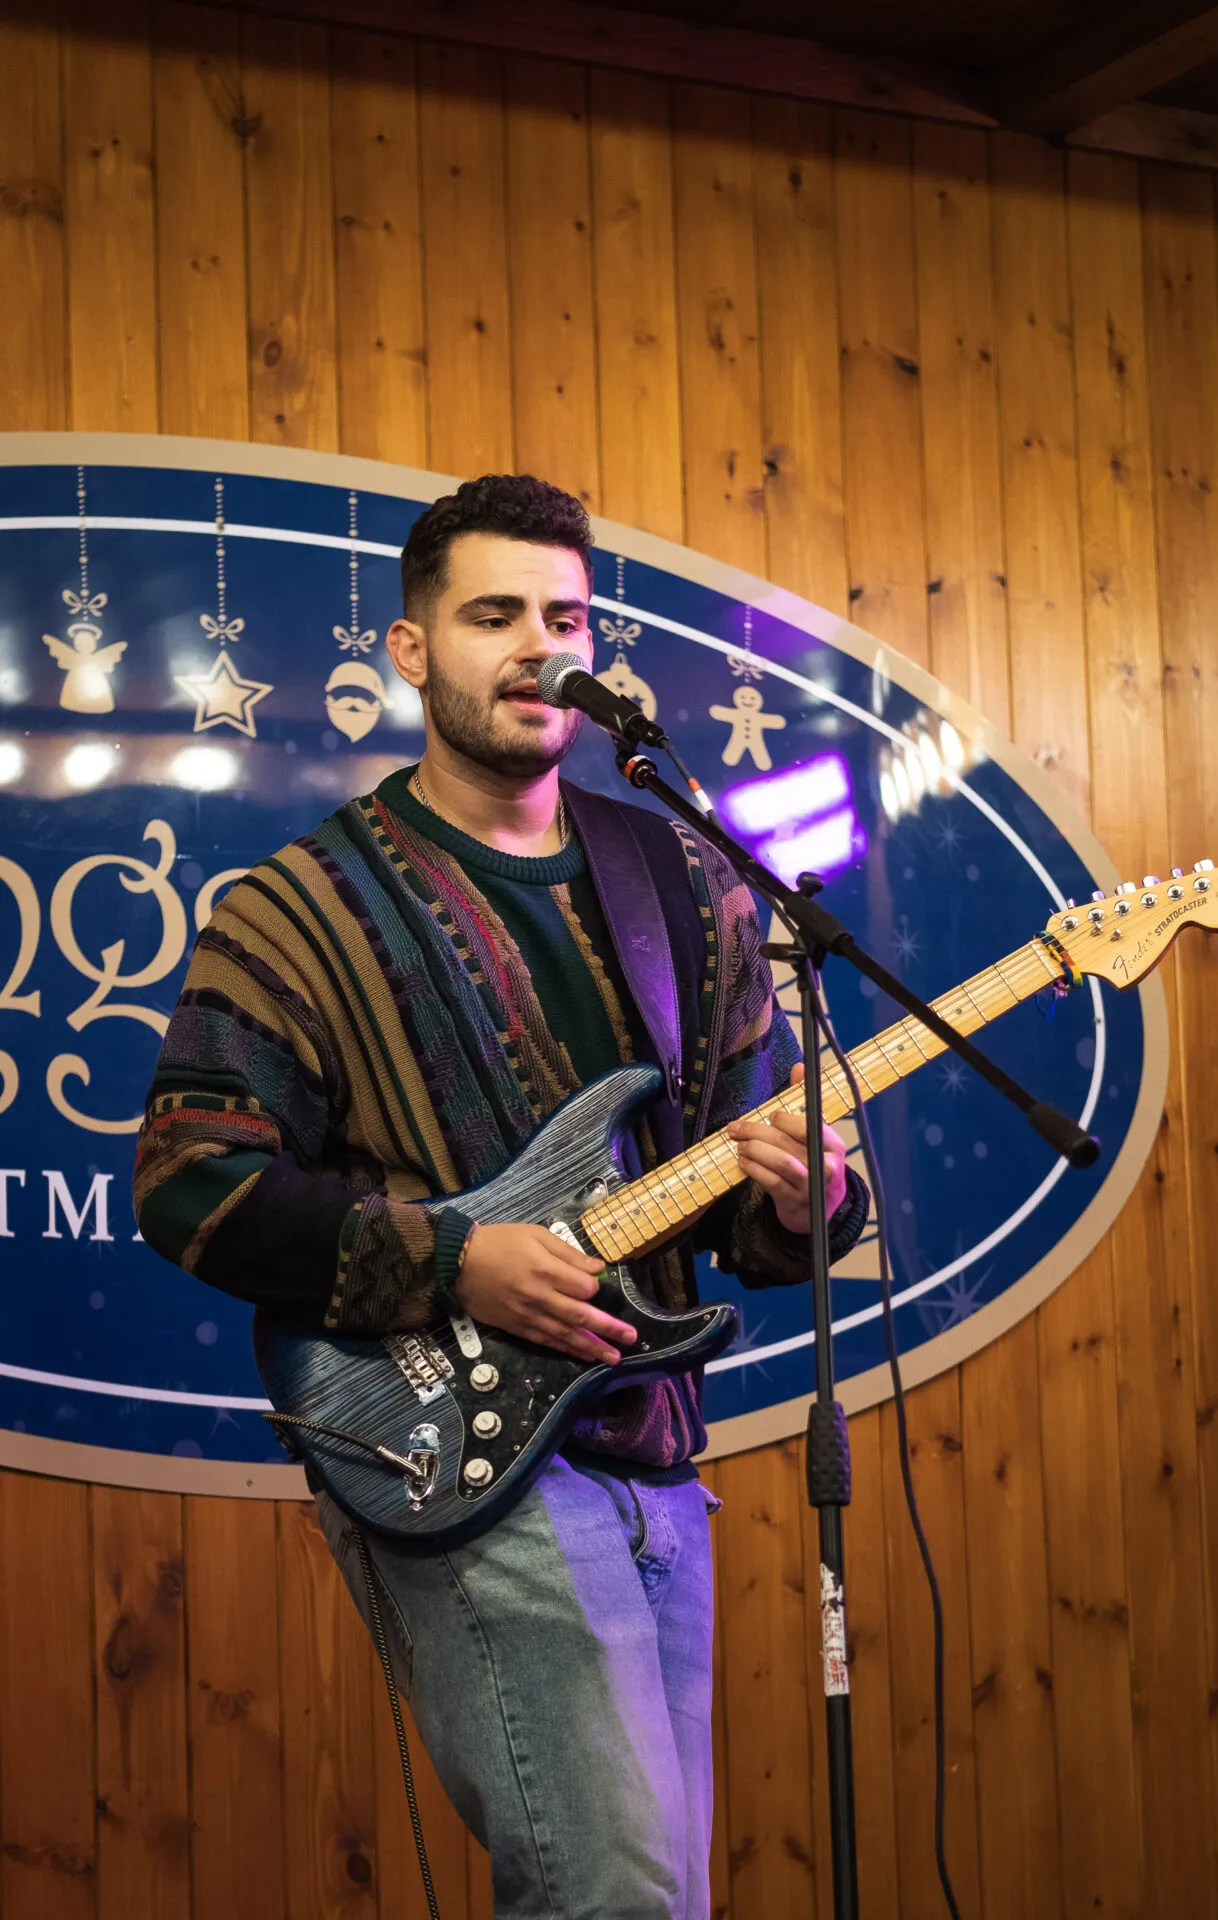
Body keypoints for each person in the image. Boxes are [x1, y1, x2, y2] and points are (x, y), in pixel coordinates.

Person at [134, 475, 868, 1920]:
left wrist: (802, 1190)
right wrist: (452, 1261)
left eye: (565, 616)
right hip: (452, 1452)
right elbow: (188, 1180)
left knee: (658, 1899)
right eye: (492, 616)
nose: (538, 648)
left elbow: (743, 1208)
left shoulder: (680, 876)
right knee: (615, 1893)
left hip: (655, 1446)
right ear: (413, 651)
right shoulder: (301, 909)